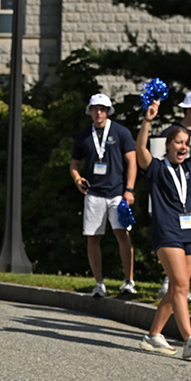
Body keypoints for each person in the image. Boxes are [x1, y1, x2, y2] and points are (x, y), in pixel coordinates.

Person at [135, 100, 191, 360]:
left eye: (186, 143)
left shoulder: (190, 166)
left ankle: (153, 335)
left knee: (176, 290)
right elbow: (140, 149)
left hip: (189, 232)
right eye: (178, 142)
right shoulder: (157, 168)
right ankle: (190, 340)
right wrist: (147, 120)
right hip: (167, 231)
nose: (183, 147)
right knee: (180, 285)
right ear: (168, 145)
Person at [69, 93, 137, 296]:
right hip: (93, 193)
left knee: (122, 234)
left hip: (117, 193)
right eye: (95, 109)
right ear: (90, 110)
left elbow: (132, 161)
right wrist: (77, 179)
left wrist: (130, 189)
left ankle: (129, 281)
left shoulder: (121, 132)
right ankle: (99, 283)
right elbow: (74, 164)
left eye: (103, 109)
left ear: (108, 111)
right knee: (93, 238)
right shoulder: (83, 135)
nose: (99, 112)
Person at [156, 90, 191, 299]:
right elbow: (157, 171)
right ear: (190, 109)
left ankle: (183, 286)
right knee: (173, 241)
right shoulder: (170, 133)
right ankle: (171, 281)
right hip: (171, 203)